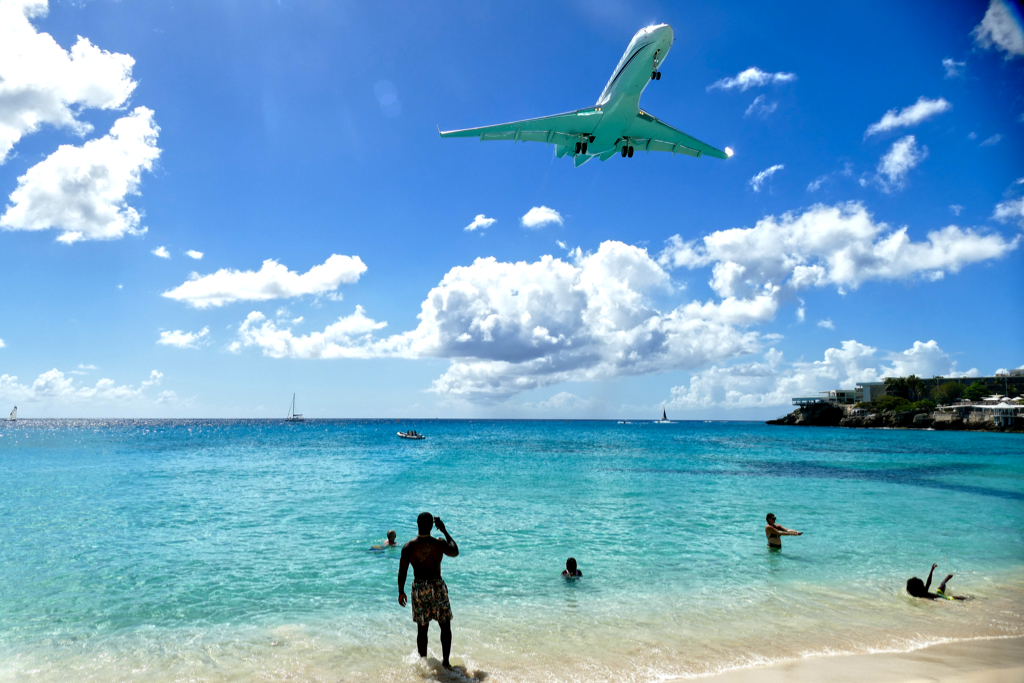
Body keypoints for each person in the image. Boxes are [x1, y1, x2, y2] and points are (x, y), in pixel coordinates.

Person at [398, 512, 459, 669]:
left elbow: (402, 571)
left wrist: (401, 592)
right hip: (437, 586)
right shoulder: (439, 543)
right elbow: (455, 551)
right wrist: (444, 531)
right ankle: (446, 662)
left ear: (417, 524)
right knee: (445, 625)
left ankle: (423, 663)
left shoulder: (408, 547)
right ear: (432, 526)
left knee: (422, 628)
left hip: (419, 587)